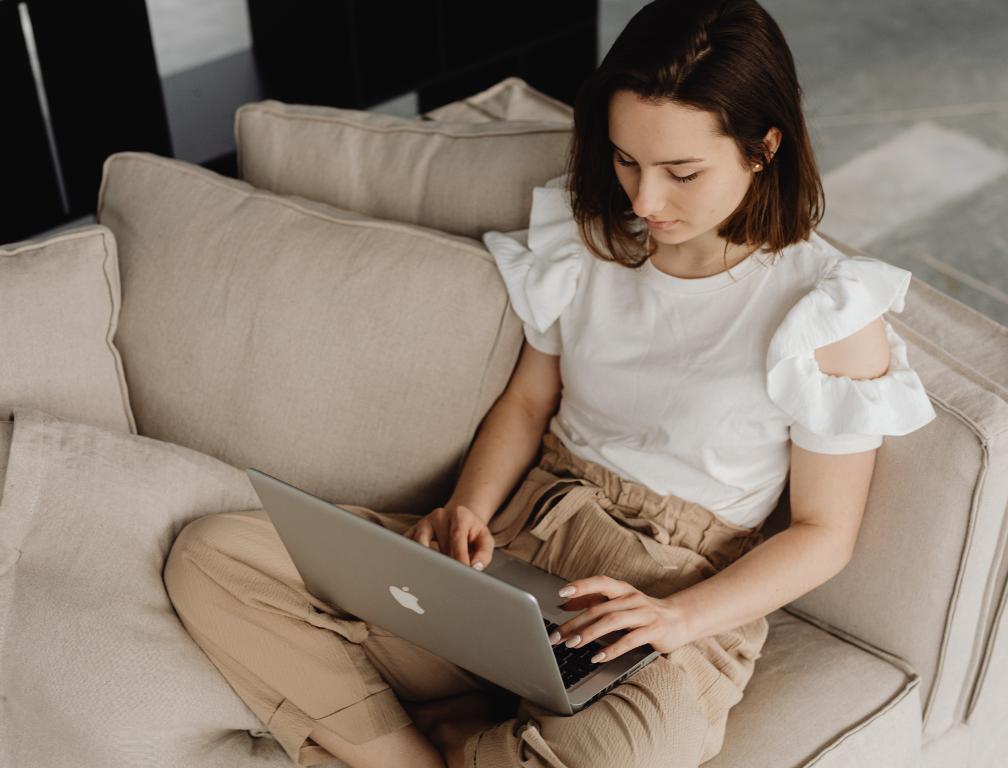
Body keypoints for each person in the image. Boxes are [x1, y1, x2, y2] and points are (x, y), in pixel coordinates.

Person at [163, 1, 938, 767]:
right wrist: (468, 508)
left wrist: (673, 619)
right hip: (524, 538)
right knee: (216, 557)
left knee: (634, 751)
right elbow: (530, 402)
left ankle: (473, 735)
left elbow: (822, 534)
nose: (644, 200)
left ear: (764, 148)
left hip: (667, 592)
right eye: (626, 159)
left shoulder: (826, 309)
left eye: (682, 172)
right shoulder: (591, 245)